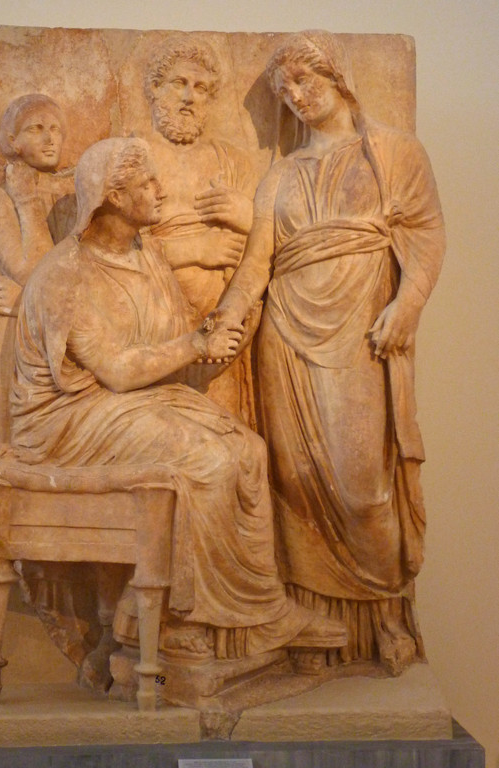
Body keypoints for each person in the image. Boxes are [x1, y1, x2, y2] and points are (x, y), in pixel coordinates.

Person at [9, 137, 347, 681]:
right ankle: (185, 623)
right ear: (113, 196)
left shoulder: (146, 257)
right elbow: (117, 371)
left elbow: (168, 360)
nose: (160, 191)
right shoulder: (65, 275)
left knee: (246, 450)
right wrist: (194, 344)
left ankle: (258, 613)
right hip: (62, 420)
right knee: (206, 460)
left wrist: (225, 336)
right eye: (147, 183)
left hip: (126, 403)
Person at [210, 31, 445, 675]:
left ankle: (385, 614)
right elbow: (256, 264)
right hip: (285, 335)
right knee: (297, 485)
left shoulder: (392, 152)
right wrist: (225, 318)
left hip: (361, 329)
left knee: (363, 484)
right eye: (285, 89)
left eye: (305, 80)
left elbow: (427, 235)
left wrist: (408, 306)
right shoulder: (281, 174)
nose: (296, 96)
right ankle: (315, 630)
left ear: (337, 77)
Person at [140, 34, 257, 424]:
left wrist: (249, 216)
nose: (190, 97)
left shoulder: (231, 161)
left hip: (223, 328)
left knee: (225, 436)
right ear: (154, 89)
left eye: (201, 88)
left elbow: (267, 250)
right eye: (180, 83)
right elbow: (101, 252)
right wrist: (195, 249)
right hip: (152, 329)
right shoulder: (131, 156)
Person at [0, 93, 75, 460]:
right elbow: (36, 272)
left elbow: (72, 276)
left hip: (57, 333)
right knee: (7, 448)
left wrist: (22, 295)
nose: (50, 139)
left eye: (56, 130)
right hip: (13, 335)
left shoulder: (67, 196)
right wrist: (24, 200)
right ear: (13, 141)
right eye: (36, 129)